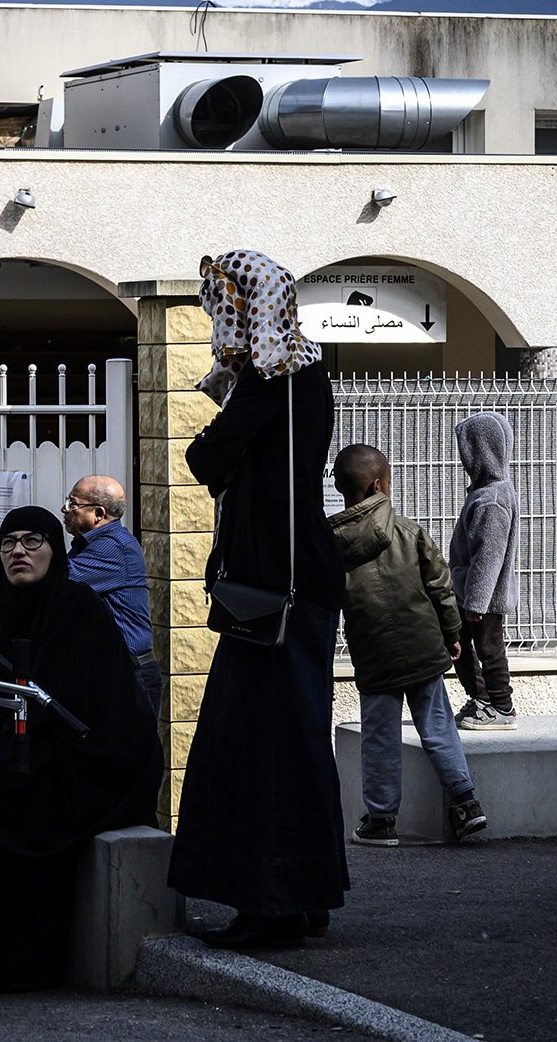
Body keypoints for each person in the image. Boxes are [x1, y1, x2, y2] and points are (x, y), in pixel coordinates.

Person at [0, 505, 160, 995]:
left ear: (54, 549)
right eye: (8, 542)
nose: (19, 551)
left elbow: (73, 703)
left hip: (87, 755)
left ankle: (6, 962)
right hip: (22, 743)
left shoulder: (75, 605)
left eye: (33, 541)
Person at [168, 250, 350, 951]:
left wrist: (219, 432)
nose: (220, 318)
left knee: (257, 743)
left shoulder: (274, 377)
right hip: (291, 581)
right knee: (291, 739)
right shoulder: (301, 372)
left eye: (226, 304)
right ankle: (299, 895)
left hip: (277, 584)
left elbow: (206, 458)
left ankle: (272, 902)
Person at [328, 444, 487, 847]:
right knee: (438, 727)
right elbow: (441, 588)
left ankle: (381, 822)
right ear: (380, 485)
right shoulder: (410, 531)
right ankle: (466, 804)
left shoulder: (331, 545)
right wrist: (452, 635)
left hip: (373, 654)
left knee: (378, 736)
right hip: (422, 648)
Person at [449, 411, 521, 731]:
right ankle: (482, 699)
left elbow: (489, 556)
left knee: (490, 650)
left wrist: (476, 602)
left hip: (483, 597)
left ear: (479, 451)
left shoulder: (492, 500)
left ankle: (502, 708)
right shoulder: (485, 493)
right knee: (459, 643)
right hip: (470, 591)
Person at [63, 474, 159, 710]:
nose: (64, 510)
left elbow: (59, 583)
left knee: (129, 746)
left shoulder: (113, 547)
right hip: (114, 669)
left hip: (130, 671)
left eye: (73, 504)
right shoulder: (92, 545)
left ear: (99, 514)